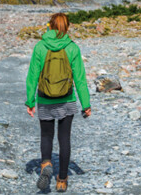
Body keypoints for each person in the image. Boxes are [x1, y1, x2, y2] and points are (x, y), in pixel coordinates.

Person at [25, 13, 91, 192]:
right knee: (64, 139)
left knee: (46, 136)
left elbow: (32, 76)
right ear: (67, 27)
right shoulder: (72, 48)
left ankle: (46, 163)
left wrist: (30, 101)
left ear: (50, 26)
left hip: (45, 98)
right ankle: (62, 179)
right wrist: (86, 104)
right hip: (67, 99)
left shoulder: (40, 47)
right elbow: (80, 79)